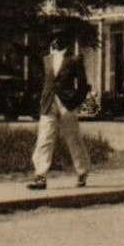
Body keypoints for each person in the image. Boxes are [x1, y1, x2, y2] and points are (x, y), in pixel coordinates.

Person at [27, 34, 92, 191]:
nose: (56, 41)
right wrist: (41, 100)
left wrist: (75, 102)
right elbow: (43, 82)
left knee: (73, 138)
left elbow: (83, 85)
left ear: (66, 41)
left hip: (67, 104)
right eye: (54, 38)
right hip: (48, 103)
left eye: (60, 37)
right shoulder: (46, 59)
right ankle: (40, 176)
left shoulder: (74, 59)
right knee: (44, 138)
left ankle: (82, 172)